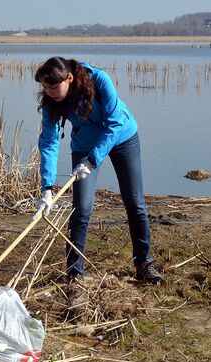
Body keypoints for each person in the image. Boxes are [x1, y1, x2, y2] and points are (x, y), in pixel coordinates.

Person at [33, 56, 163, 291]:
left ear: (69, 78)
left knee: (135, 202)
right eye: (45, 87)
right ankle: (74, 274)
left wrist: (93, 160)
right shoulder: (52, 102)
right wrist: (47, 187)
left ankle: (144, 264)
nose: (50, 92)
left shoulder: (100, 80)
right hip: (84, 145)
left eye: (53, 87)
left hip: (123, 137)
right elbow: (49, 142)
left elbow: (114, 123)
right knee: (81, 208)